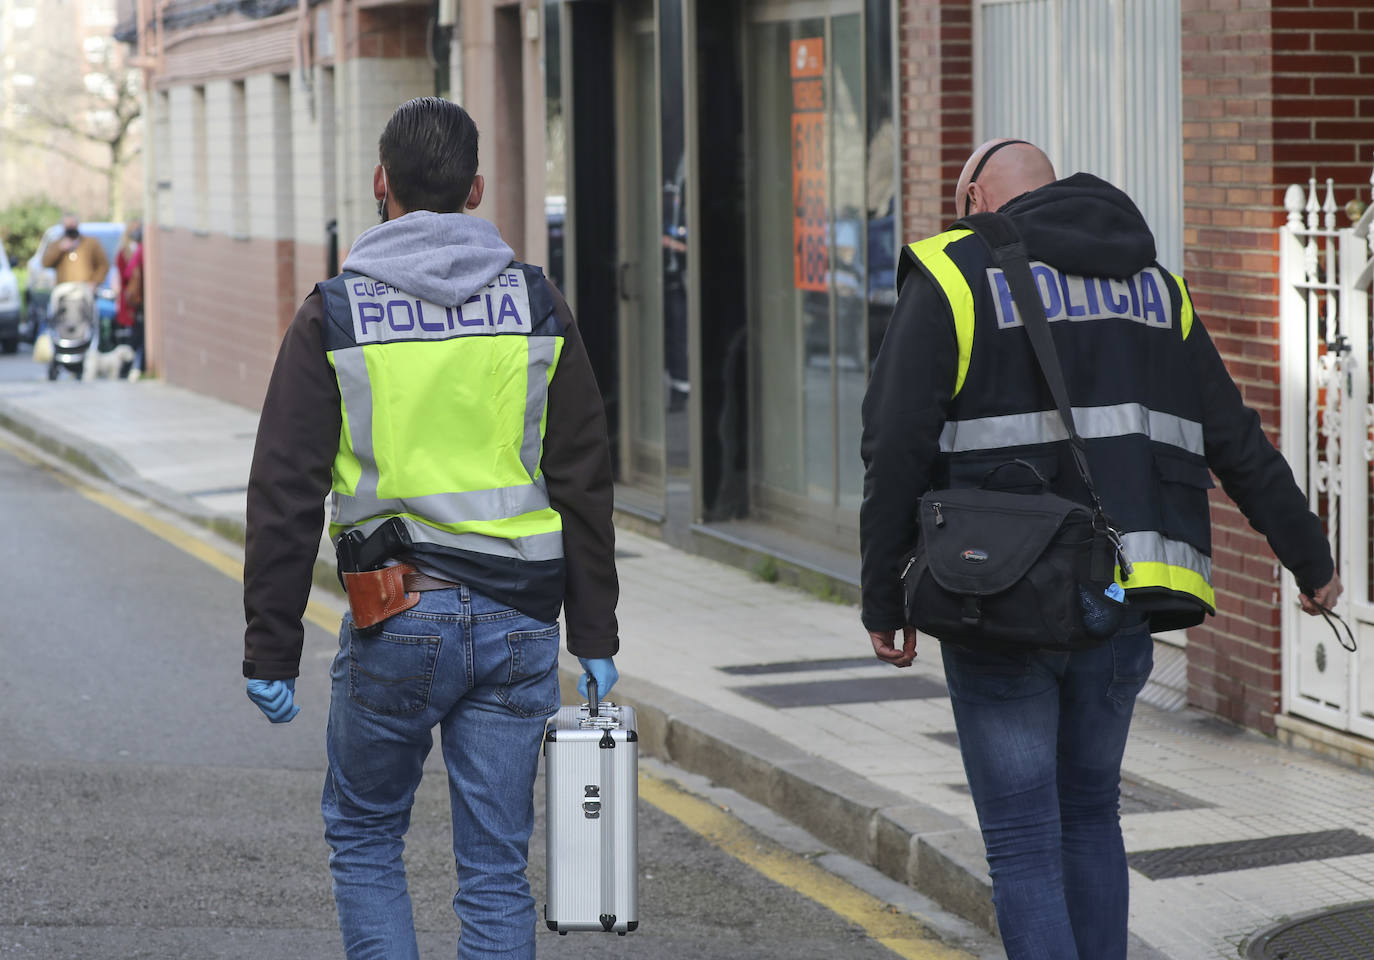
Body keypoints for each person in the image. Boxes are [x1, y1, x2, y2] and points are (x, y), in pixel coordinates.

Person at [859, 138, 1341, 960]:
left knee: (1021, 842)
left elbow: (894, 445)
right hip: (1125, 594)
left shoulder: (951, 274)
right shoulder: (1155, 287)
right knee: (1090, 815)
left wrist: (883, 594)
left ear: (978, 197)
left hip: (997, 596)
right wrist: (1312, 559)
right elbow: (1235, 437)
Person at [241, 97, 621, 960]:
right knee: (495, 869)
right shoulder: (535, 303)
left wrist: (272, 646)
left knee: (369, 837)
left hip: (398, 615)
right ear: (476, 189)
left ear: (382, 183)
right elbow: (584, 477)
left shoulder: (333, 315)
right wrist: (594, 629)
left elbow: (285, 491)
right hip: (523, 621)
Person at [42, 213, 109, 286]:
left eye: (72, 224)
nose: (70, 227)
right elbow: (46, 263)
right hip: (64, 288)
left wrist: (94, 282)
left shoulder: (91, 243)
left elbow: (103, 265)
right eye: (67, 225)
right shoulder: (56, 244)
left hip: (85, 288)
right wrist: (60, 249)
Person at [115, 221, 143, 373]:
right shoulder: (124, 252)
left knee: (138, 333)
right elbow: (124, 275)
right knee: (134, 333)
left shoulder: (142, 249)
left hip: (138, 297)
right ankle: (125, 367)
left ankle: (134, 366)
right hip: (130, 297)